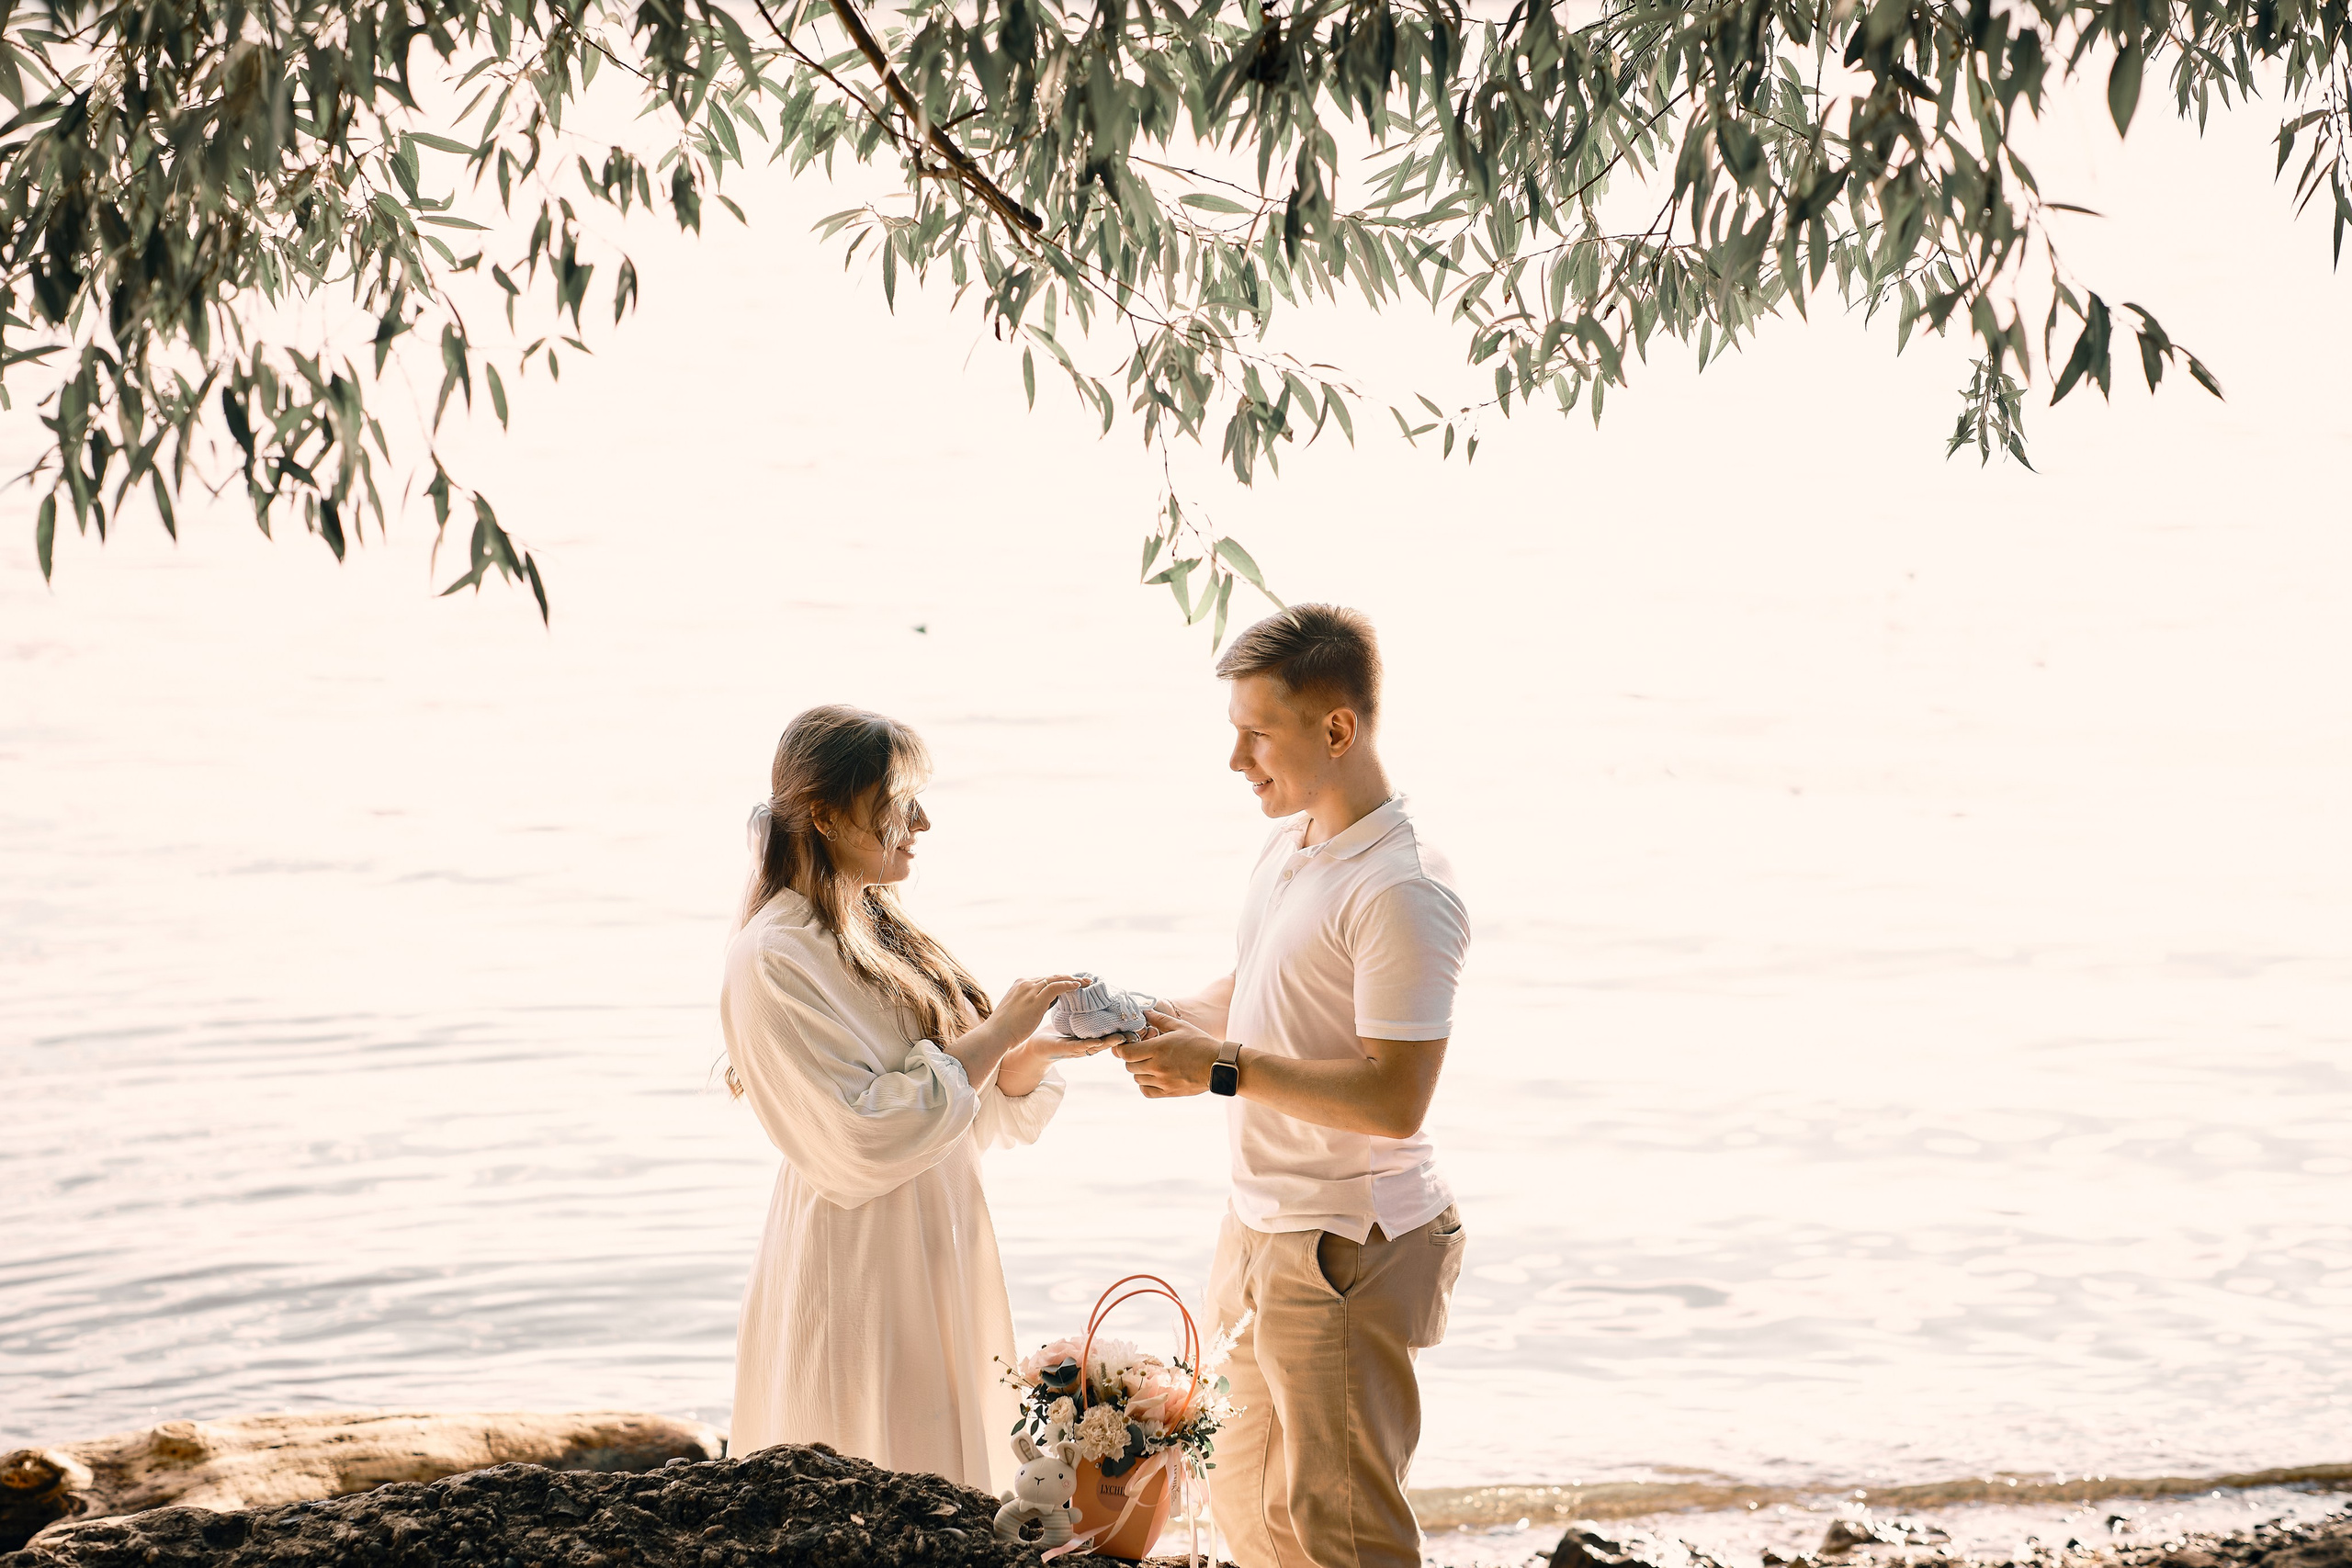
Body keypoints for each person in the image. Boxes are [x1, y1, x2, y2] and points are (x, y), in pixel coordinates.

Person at [1115, 605, 1470, 1568]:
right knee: (1245, 1506)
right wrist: (1169, 1021)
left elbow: (1394, 1097)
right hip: (1259, 1227)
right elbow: (1257, 988)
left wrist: (1220, 1070)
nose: (1237, 759)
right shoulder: (1292, 845)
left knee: (1342, 1529)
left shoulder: (1401, 890)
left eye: (1256, 732)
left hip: (1347, 1244)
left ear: (1337, 730)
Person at [721, 704, 1102, 1492]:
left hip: (939, 1230)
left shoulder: (877, 928)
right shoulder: (774, 954)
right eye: (900, 801)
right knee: (880, 1462)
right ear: (825, 814)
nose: (922, 822)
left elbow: (962, 1113)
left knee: (948, 1467)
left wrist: (1033, 1050)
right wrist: (996, 1034)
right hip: (859, 1252)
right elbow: (862, 1136)